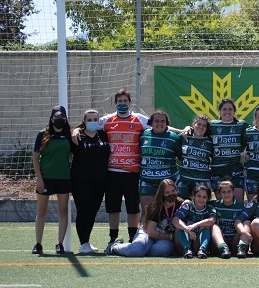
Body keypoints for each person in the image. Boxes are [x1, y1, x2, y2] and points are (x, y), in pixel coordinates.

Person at [95, 88, 150, 244]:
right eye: (120, 101)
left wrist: (183, 130)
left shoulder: (139, 119)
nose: (123, 104)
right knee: (113, 208)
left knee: (133, 208)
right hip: (112, 173)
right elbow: (87, 125)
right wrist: (76, 131)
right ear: (115, 103)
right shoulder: (107, 120)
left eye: (125, 101)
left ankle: (133, 237)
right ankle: (113, 238)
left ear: (130, 102)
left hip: (132, 172)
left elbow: (161, 127)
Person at [32, 105, 72, 255]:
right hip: (46, 178)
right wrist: (39, 179)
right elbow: (35, 158)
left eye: (62, 117)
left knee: (63, 210)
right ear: (51, 118)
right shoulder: (42, 134)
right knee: (41, 211)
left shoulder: (69, 134)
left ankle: (60, 244)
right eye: (57, 117)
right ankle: (38, 243)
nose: (59, 120)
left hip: (63, 178)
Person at [105, 179, 181, 257]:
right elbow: (151, 232)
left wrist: (189, 203)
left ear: (176, 190)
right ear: (162, 194)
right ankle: (114, 247)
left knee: (163, 249)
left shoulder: (181, 204)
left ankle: (142, 250)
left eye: (173, 191)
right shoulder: (156, 207)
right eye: (167, 192)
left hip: (164, 237)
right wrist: (171, 237)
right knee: (136, 250)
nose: (171, 194)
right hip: (148, 232)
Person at [70, 109, 110, 254]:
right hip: (81, 181)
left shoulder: (103, 135)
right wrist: (75, 130)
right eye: (89, 119)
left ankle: (87, 241)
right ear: (84, 121)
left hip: (100, 181)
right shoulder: (77, 136)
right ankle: (83, 243)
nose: (92, 122)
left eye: (95, 119)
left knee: (92, 212)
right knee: (83, 211)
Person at [139, 110, 182, 215]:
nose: (159, 123)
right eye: (156, 121)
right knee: (147, 213)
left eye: (163, 121)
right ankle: (145, 231)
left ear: (167, 123)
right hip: (147, 181)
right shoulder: (144, 135)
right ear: (151, 123)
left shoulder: (173, 137)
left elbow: (182, 158)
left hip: (167, 182)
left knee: (169, 213)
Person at [173, 184, 231, 259]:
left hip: (198, 242)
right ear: (193, 196)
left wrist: (195, 225)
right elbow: (175, 220)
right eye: (199, 196)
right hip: (184, 241)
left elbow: (212, 220)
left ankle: (202, 250)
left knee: (205, 227)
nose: (201, 199)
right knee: (179, 227)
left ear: (208, 199)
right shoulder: (188, 206)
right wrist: (187, 229)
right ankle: (187, 249)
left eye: (204, 197)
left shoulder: (209, 208)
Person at [209, 98, 249, 201]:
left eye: (230, 109)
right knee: (221, 204)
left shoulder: (241, 125)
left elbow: (256, 131)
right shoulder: (212, 125)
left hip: (235, 168)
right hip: (218, 169)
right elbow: (196, 130)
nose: (227, 112)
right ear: (219, 111)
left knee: (238, 203)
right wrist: (187, 128)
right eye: (224, 109)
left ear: (234, 111)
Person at [177, 114, 214, 199]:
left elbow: (216, 158)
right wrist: (185, 129)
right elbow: (167, 130)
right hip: (184, 180)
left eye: (204, 125)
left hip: (202, 181)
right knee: (181, 206)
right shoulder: (185, 136)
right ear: (193, 125)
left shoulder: (210, 142)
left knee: (201, 207)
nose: (201, 127)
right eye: (198, 124)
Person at [210, 179, 249, 258]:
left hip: (235, 240)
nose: (226, 194)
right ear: (220, 193)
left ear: (233, 192)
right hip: (220, 239)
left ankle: (241, 247)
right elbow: (199, 202)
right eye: (223, 192)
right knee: (214, 226)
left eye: (229, 191)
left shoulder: (241, 206)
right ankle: (223, 248)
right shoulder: (214, 204)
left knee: (247, 222)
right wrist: (187, 202)